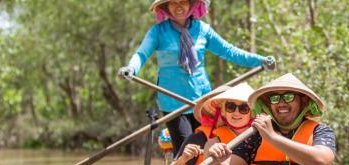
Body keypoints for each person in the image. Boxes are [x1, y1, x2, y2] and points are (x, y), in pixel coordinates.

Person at [118, 0, 275, 156]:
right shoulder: (158, 31)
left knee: (207, 144)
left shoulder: (203, 29)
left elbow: (230, 51)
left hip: (201, 101)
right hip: (173, 103)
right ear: (166, 7)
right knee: (187, 149)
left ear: (192, 4)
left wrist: (261, 60)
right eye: (173, 3)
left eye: (183, 2)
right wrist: (131, 68)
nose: (178, 6)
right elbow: (141, 54)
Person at [207, 73, 336, 165]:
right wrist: (218, 161)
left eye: (288, 97)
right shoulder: (256, 134)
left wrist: (273, 137)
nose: (281, 103)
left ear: (303, 101)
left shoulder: (320, 131)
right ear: (268, 104)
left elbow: (320, 161)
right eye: (275, 98)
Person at [164, 83, 255, 165]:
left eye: (243, 108)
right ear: (221, 111)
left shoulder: (255, 136)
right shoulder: (200, 139)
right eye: (230, 107)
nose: (236, 112)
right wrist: (183, 160)